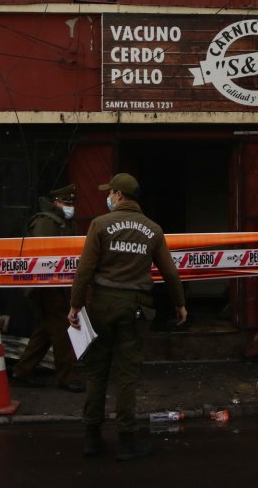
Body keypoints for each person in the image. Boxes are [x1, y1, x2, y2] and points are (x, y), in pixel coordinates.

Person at [68, 172, 187, 461]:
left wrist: (75, 305)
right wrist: (180, 304)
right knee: (126, 375)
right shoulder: (153, 230)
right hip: (135, 308)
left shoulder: (100, 224)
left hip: (102, 305)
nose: (108, 197)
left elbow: (85, 270)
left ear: (119, 195)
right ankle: (126, 441)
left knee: (97, 372)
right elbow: (170, 273)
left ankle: (92, 438)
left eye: (110, 192)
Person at [12, 183, 85, 393]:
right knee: (62, 329)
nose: (70, 207)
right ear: (56, 202)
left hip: (56, 284)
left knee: (45, 330)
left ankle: (22, 371)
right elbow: (42, 256)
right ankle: (65, 377)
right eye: (66, 202)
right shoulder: (45, 222)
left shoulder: (59, 221)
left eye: (72, 202)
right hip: (46, 285)